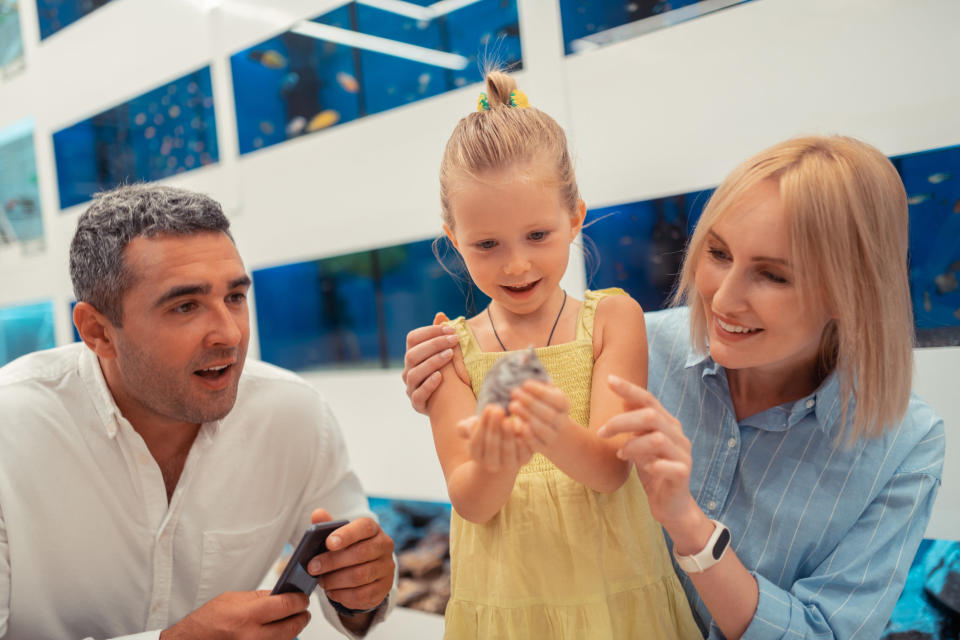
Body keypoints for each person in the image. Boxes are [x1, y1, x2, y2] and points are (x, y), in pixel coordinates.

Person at [403, 135, 946, 639]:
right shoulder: (638, 342)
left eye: (774, 275)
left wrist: (691, 529)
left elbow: (827, 631)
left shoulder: (906, 445)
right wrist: (450, 389)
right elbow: (474, 491)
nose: (723, 300)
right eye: (717, 253)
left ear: (853, 292)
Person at [0, 184, 397, 640]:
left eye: (234, 298)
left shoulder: (294, 415)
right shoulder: (10, 429)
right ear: (98, 332)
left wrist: (363, 592)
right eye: (185, 306)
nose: (229, 334)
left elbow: (358, 603)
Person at [423, 70, 700, 639]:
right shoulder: (450, 347)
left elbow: (607, 469)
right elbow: (470, 502)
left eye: (538, 236)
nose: (517, 265)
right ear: (454, 238)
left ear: (574, 217)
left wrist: (544, 427)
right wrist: (500, 458)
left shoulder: (612, 318)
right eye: (486, 245)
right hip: (507, 603)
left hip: (614, 593)